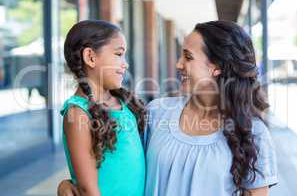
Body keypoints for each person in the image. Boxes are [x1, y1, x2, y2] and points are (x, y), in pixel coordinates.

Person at [58, 20, 278, 196]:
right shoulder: (156, 112)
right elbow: (119, 163)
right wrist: (68, 184)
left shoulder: (254, 133)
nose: (178, 64)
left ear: (217, 67)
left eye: (188, 57)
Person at [59, 20, 146, 196]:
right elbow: (87, 188)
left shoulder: (124, 102)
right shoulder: (78, 113)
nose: (125, 63)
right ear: (90, 57)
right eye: (118, 54)